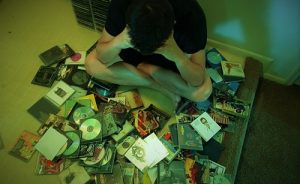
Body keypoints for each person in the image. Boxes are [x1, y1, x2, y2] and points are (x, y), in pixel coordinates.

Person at [85, 0, 212, 104]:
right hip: (132, 58)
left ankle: (149, 70)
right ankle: (156, 85)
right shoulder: (121, 4)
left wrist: (178, 56)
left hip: (168, 66)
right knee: (91, 64)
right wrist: (118, 41)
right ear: (128, 25)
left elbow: (197, 80)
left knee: (203, 92)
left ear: (172, 28)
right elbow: (102, 56)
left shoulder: (191, 15)